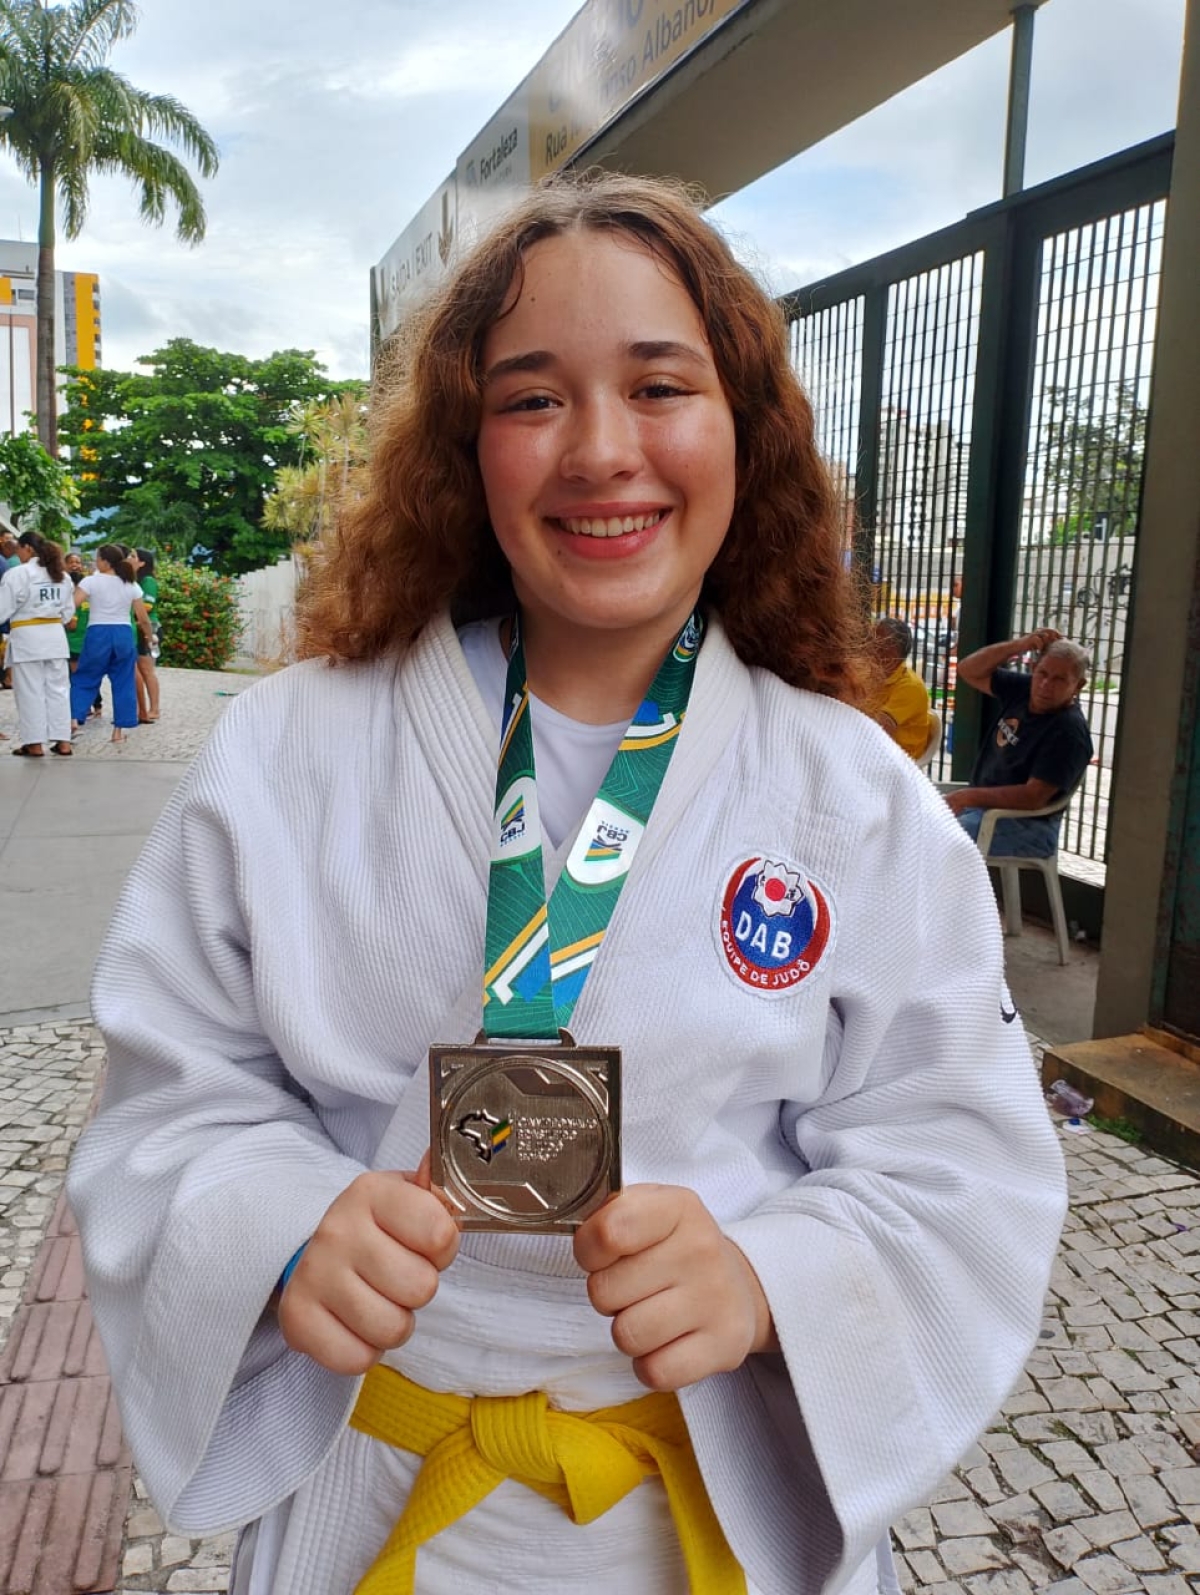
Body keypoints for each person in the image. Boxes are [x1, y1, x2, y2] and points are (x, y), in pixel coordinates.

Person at [68, 173, 1066, 1595]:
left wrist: (773, 1272)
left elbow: (958, 1149)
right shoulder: (287, 753)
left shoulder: (852, 793)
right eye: (533, 398)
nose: (602, 450)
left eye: (661, 385)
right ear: (468, 446)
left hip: (720, 1503)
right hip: (380, 1492)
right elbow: (176, 1093)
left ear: (746, 430)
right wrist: (284, 1222)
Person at [944, 626, 1093, 856]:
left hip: (1029, 826)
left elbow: (1033, 797)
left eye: (1059, 680)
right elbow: (968, 670)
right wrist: (1020, 645)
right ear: (1034, 669)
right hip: (981, 807)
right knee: (913, 815)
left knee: (942, 836)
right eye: (1042, 674)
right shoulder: (1025, 689)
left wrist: (967, 797)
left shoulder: (1069, 731)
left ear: (1078, 686)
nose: (1046, 685)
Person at [0, 531, 76, 755]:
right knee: (59, 690)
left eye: (19, 549)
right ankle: (63, 741)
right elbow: (67, 612)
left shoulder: (19, 574)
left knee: (30, 691)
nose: (18, 553)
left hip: (28, 637)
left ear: (28, 548)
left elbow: (3, 609)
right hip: (54, 636)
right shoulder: (62, 576)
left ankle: (34, 743)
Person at [68, 543, 153, 744]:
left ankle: (73, 720)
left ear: (105, 561)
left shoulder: (91, 582)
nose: (96, 562)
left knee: (85, 678)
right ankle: (118, 731)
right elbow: (143, 618)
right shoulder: (131, 585)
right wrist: (149, 637)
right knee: (123, 682)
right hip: (123, 633)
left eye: (98, 558)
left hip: (98, 632)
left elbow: (72, 605)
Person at [868, 617, 933, 759]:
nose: (868, 645)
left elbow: (879, 728)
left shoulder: (910, 686)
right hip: (878, 753)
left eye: (874, 639)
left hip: (898, 760)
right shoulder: (875, 677)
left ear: (891, 650)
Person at [131, 547, 161, 722]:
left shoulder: (147, 580)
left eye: (134, 556)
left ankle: (155, 708)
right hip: (137, 627)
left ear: (142, 562)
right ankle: (140, 708)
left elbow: (148, 606)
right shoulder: (133, 580)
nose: (130, 558)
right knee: (139, 671)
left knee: (147, 669)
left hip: (148, 628)